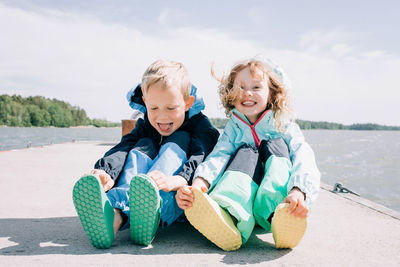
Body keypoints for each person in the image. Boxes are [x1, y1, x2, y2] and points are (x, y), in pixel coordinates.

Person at [176, 57, 320, 251]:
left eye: (256, 87)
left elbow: (304, 156)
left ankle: (279, 215)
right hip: (243, 201)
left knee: (276, 146)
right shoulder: (234, 128)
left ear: (271, 93)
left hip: (276, 201)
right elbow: (219, 155)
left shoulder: (282, 125)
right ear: (230, 94)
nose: (247, 93)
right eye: (240, 88)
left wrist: (299, 191)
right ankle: (230, 215)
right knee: (245, 151)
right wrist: (200, 182)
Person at [72, 60, 220, 249]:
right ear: (145, 102)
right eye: (154, 108)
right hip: (137, 194)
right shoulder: (145, 124)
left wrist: (180, 179)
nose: (162, 117)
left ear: (187, 103)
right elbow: (124, 147)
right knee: (142, 144)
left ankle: (150, 210)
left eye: (171, 108)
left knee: (179, 138)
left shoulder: (200, 126)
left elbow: (203, 155)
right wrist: (105, 171)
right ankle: (115, 217)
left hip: (177, 197)